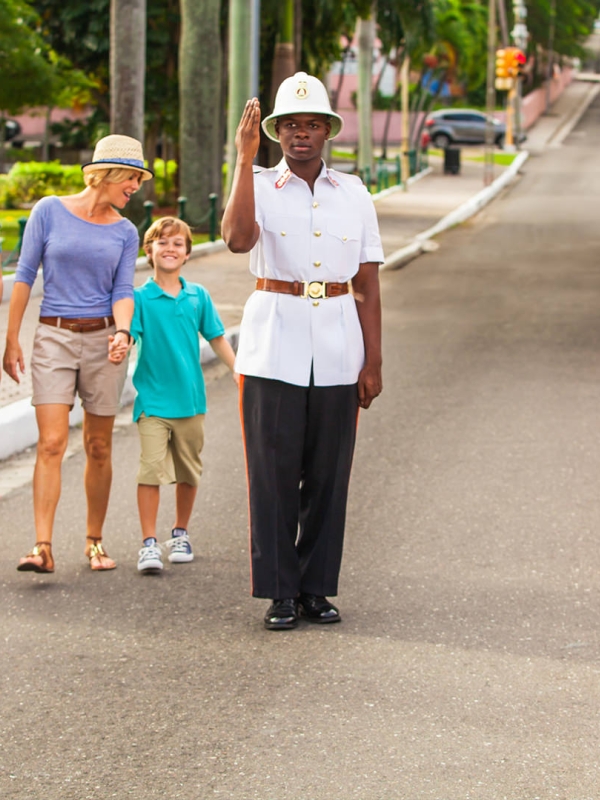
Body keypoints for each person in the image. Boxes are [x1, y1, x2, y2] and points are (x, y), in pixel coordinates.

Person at [221, 72, 384, 630]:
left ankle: (316, 588)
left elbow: (367, 282)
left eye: (312, 124)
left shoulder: (355, 195)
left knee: (327, 475)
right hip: (273, 350)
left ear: (328, 132)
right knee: (272, 473)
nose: (301, 134)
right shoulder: (260, 185)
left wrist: (374, 360)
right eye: (290, 125)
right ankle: (280, 592)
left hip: (340, 349)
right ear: (276, 133)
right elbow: (238, 240)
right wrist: (243, 162)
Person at [2, 134, 153, 573]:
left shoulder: (126, 232)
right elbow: (25, 275)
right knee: (50, 442)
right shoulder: (48, 210)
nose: (136, 188)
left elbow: (123, 290)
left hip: (104, 340)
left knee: (98, 445)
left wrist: (124, 331)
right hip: (53, 337)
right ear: (107, 174)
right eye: (131, 178)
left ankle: (94, 541)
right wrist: (11, 339)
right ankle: (42, 547)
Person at [131, 217, 237, 574]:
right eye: (162, 242)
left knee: (188, 472)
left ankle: (180, 533)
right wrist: (118, 343)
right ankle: (148, 543)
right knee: (150, 470)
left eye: (178, 243)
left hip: (191, 402)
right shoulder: (139, 298)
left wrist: (238, 372)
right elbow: (128, 334)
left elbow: (217, 337)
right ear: (149, 251)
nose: (170, 248)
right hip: (153, 402)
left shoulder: (198, 296)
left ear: (188, 254)